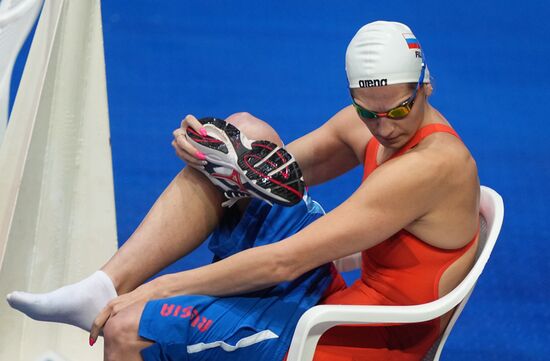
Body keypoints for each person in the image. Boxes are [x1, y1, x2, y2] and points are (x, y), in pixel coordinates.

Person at [9, 20, 480, 361]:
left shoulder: (428, 167)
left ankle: (121, 303)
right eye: (367, 112)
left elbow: (286, 261)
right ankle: (104, 285)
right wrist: (216, 158)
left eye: (397, 111)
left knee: (126, 329)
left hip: (348, 338)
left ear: (426, 84)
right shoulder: (378, 125)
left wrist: (155, 290)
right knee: (242, 133)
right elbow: (271, 170)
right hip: (338, 298)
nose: (383, 128)